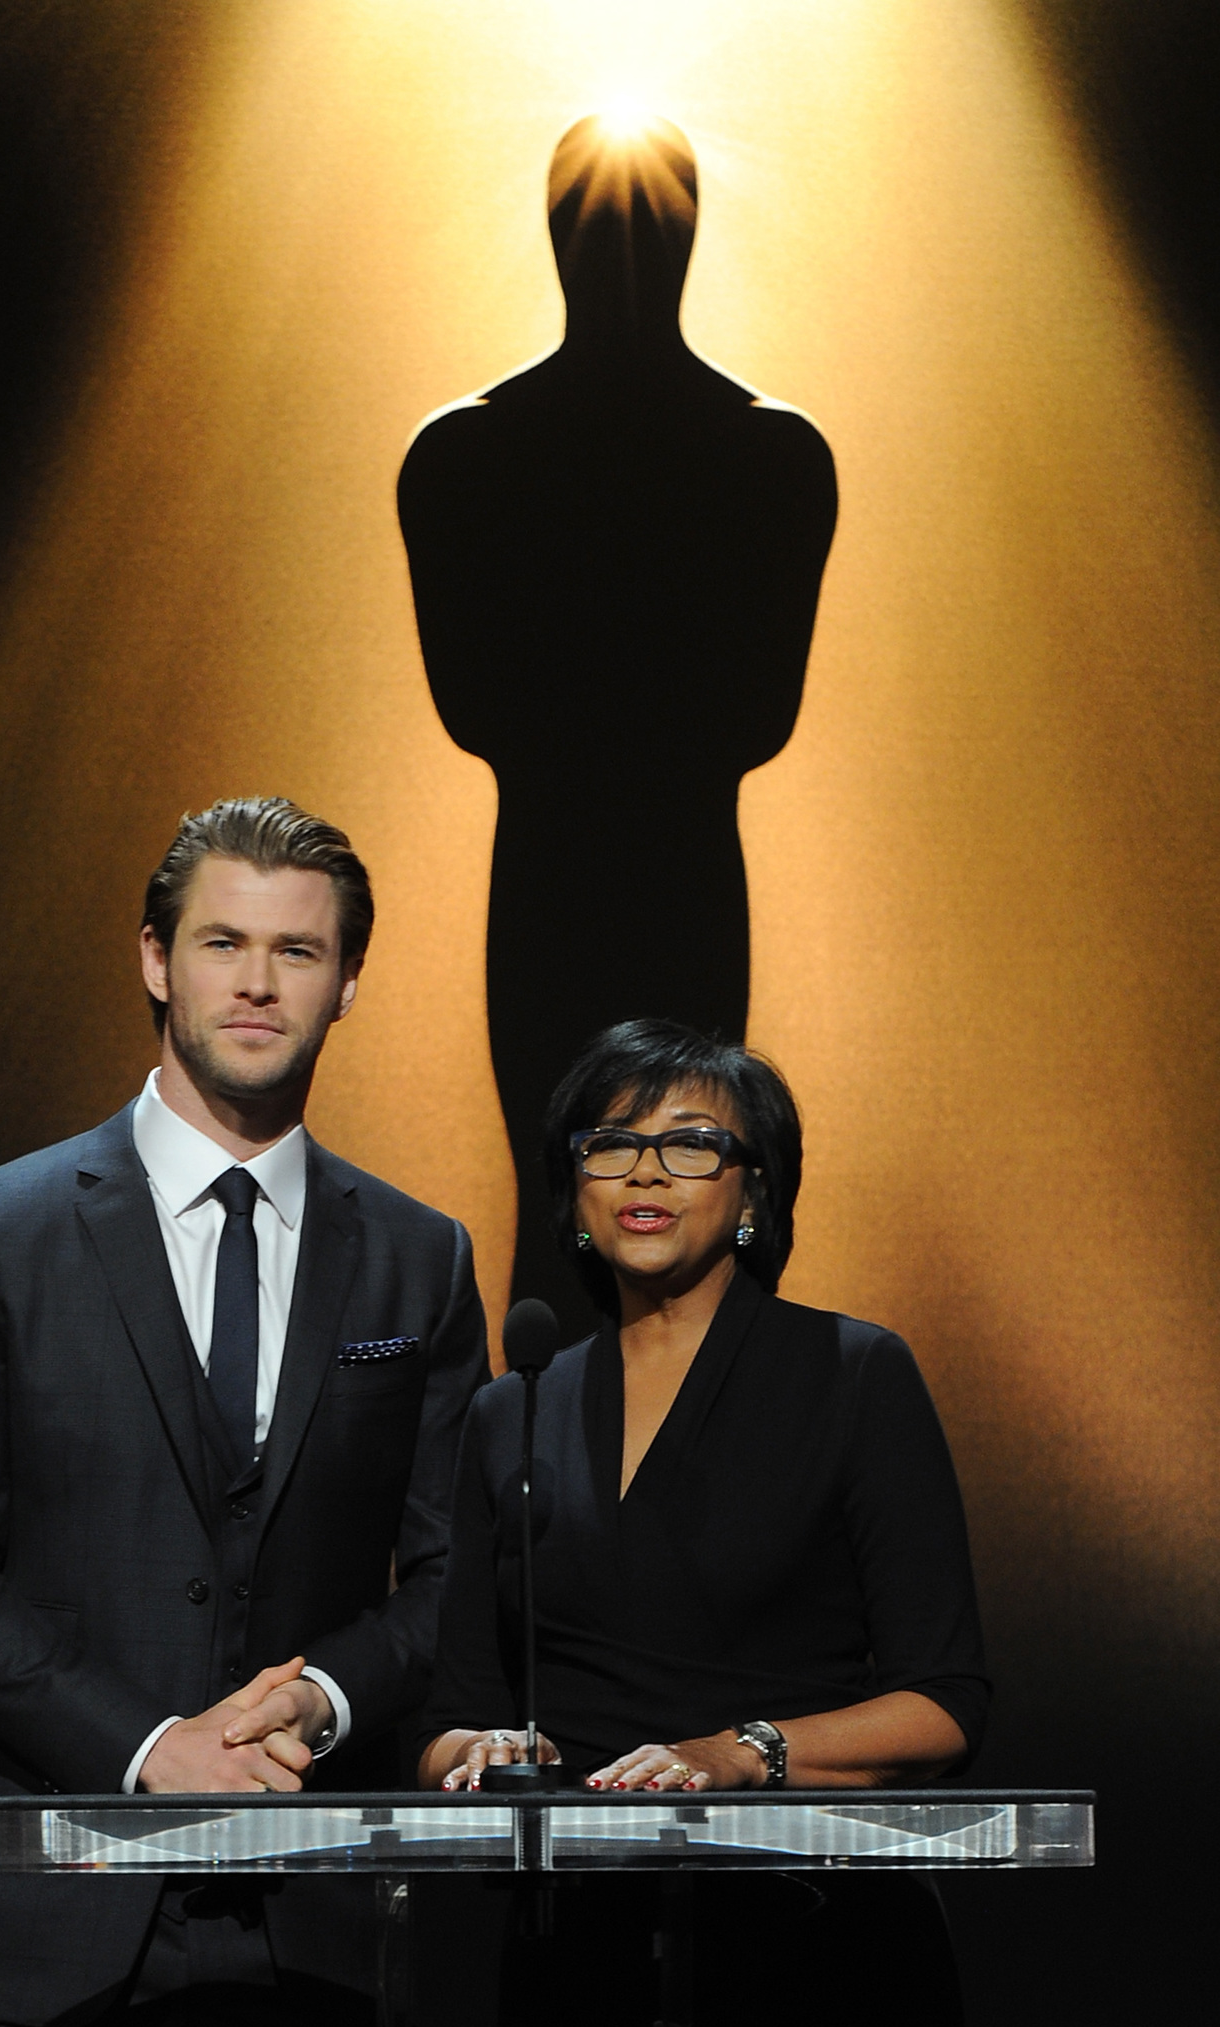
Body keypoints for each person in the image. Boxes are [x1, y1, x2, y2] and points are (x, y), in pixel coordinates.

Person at [0, 796, 489, 2027]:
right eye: (221, 943)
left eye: (297, 951)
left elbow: (453, 1572)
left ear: (348, 981)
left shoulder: (420, 1256)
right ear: (155, 958)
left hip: (314, 1920)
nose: (256, 983)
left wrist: (323, 1693)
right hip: (44, 1919)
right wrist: (147, 1744)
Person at [419, 1019, 988, 2027]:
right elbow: (450, 1709)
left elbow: (942, 1703)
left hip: (810, 1943)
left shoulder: (851, 1373)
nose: (645, 1170)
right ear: (575, 1192)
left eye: (689, 1144)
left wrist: (739, 1753)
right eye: (609, 1143)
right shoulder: (515, 1406)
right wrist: (476, 1749)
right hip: (573, 1954)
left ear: (753, 1191)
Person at [398, 114, 836, 1325]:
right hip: (684, 875)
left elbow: (472, 707)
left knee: (572, 1210)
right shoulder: (772, 458)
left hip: (546, 877)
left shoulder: (466, 457)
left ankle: (554, 1495)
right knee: (679, 1197)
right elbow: (756, 717)